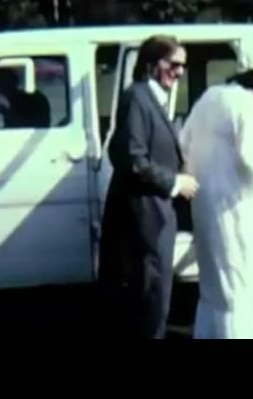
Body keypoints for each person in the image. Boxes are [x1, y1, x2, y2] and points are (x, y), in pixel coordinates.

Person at [179, 41, 253, 340]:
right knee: (238, 282)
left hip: (205, 205)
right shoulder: (246, 104)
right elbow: (252, 159)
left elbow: (184, 142)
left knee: (214, 282)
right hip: (234, 206)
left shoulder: (209, 96)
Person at [99, 35, 199, 340]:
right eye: (174, 64)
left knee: (154, 295)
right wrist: (174, 182)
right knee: (150, 297)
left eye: (183, 66)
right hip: (145, 215)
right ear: (152, 64)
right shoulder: (138, 97)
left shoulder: (153, 98)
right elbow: (132, 157)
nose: (180, 72)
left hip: (155, 213)